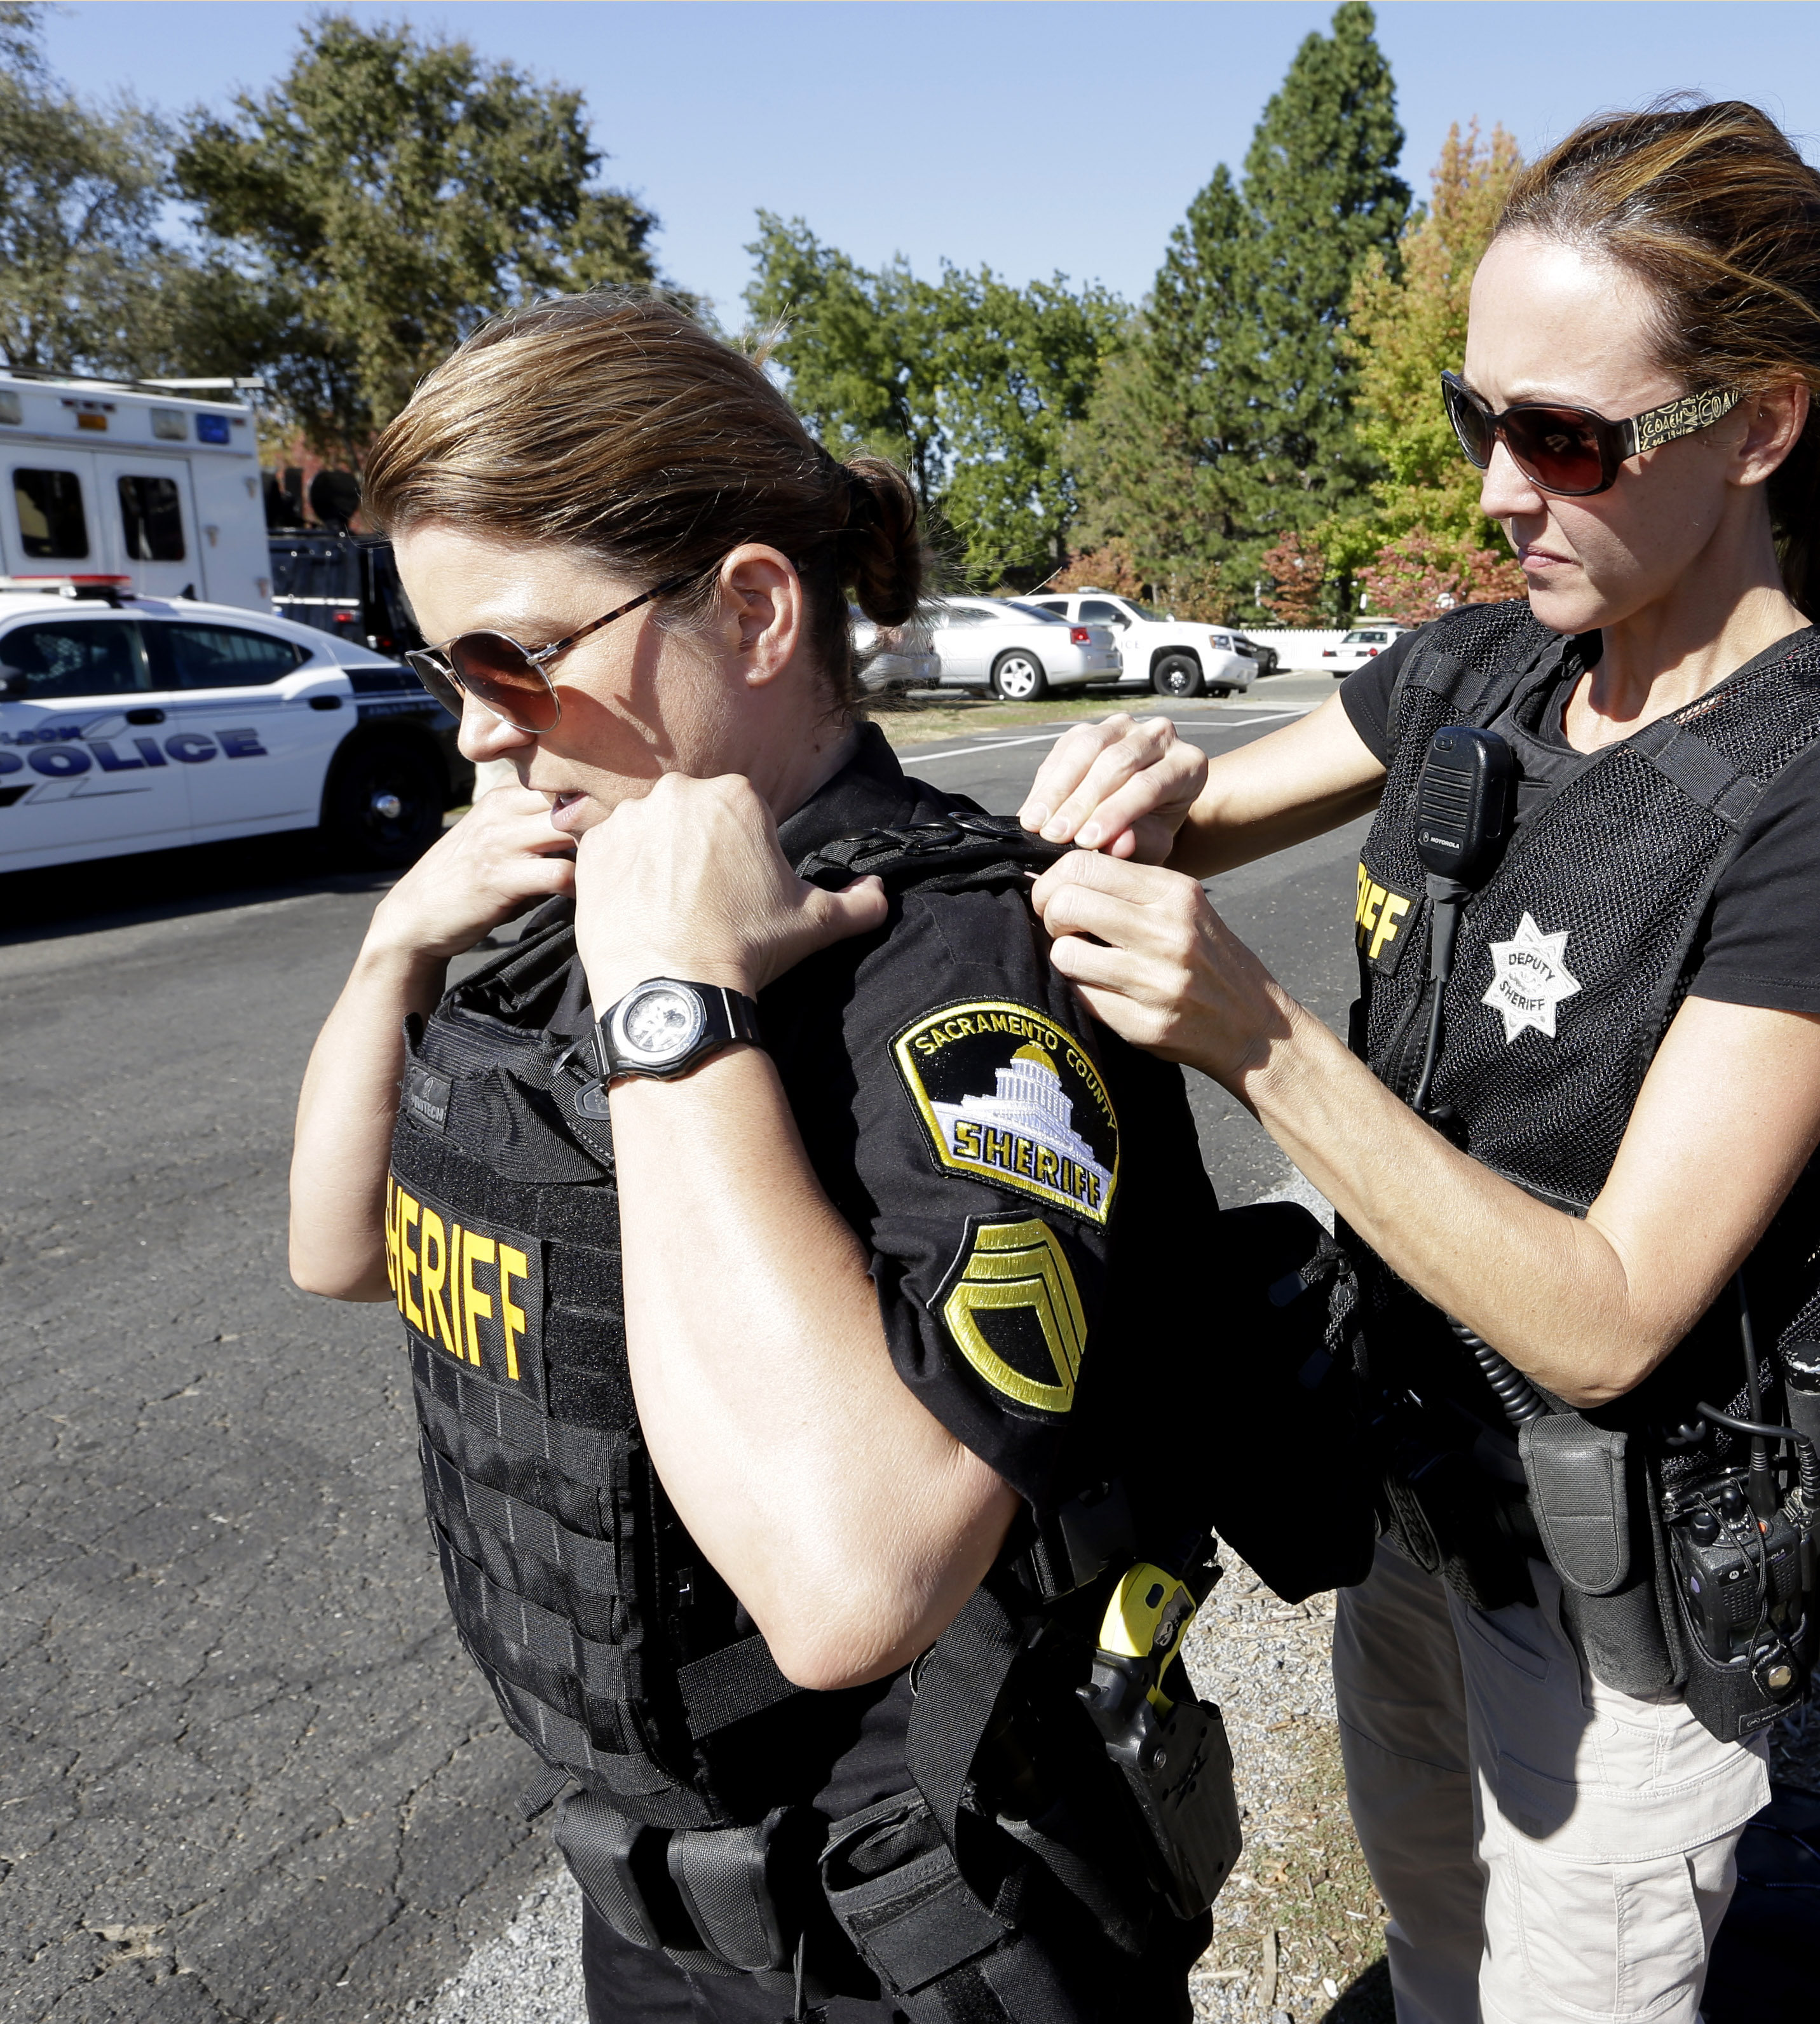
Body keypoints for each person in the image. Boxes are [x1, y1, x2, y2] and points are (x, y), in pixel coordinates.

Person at [1014, 99, 1820, 2024]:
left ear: (1760, 424)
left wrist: (1261, 1037)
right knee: (1433, 1952)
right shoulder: (1483, 665)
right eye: (1481, 417)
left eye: (1561, 436)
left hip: (1609, 1592)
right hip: (1405, 1500)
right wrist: (1125, 790)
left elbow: (1612, 1316)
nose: (1493, 487)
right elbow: (1207, 811)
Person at [287, 293, 1244, 2024]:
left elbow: (848, 1588)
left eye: (517, 662)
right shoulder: (571, 895)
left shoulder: (952, 960)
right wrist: (390, 958)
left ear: (748, 606)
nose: (478, 732)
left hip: (936, 1931)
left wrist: (672, 1009)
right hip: (666, 1911)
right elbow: (350, 1249)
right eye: (446, 672)